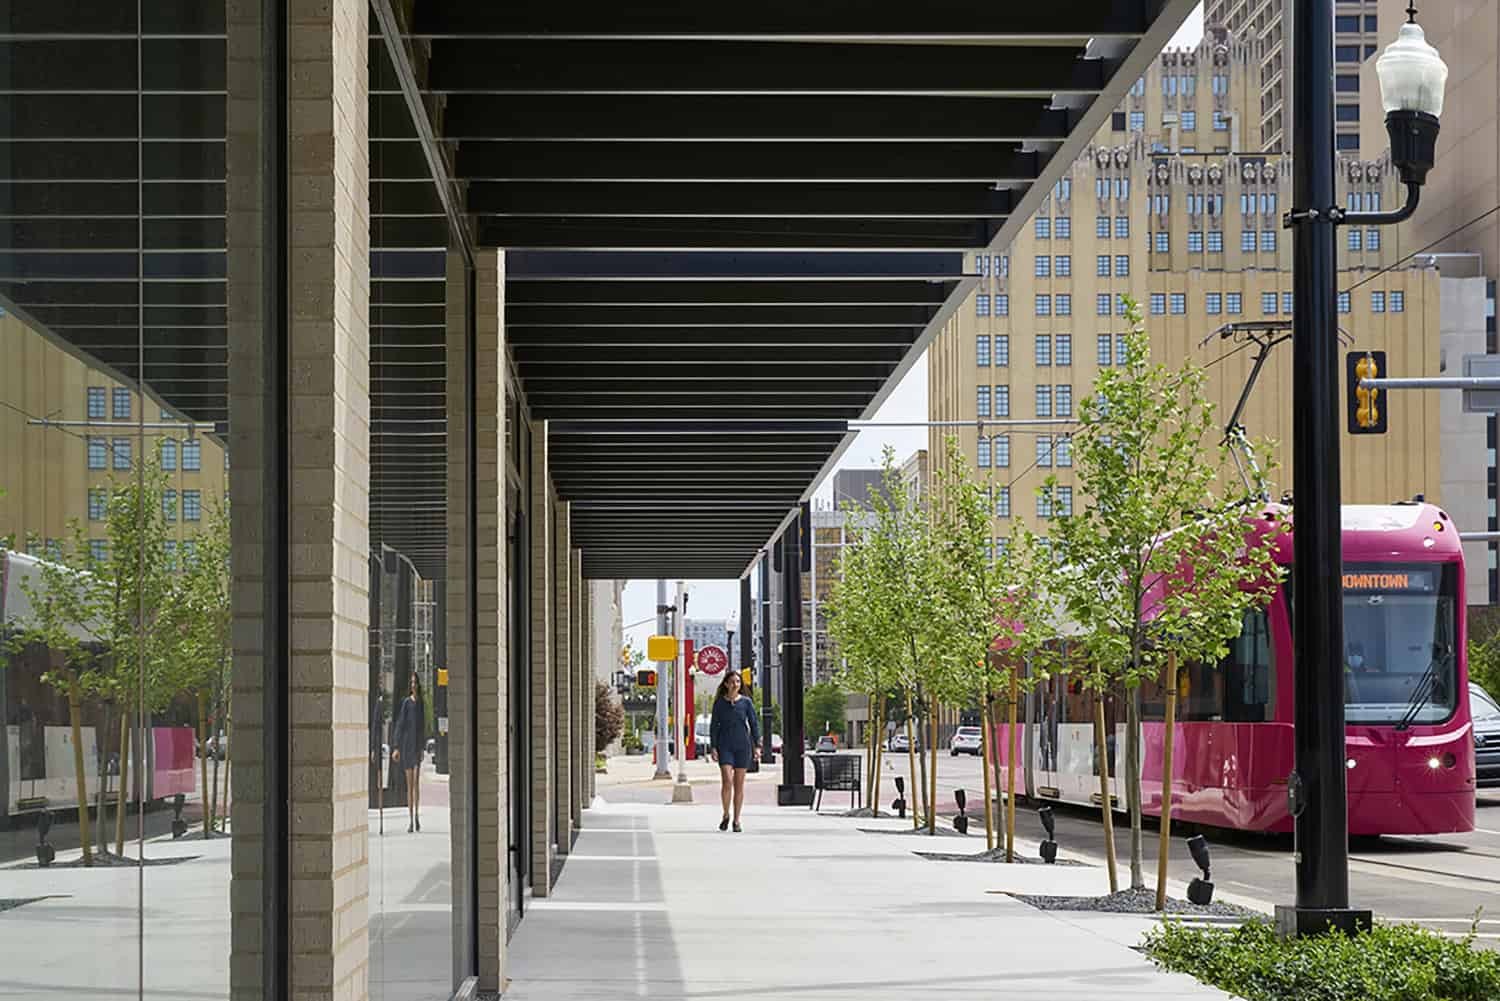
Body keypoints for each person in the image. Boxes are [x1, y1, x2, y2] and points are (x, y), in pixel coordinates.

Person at [709, 671, 760, 832]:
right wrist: (714, 747)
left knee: (739, 785)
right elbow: (713, 726)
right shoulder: (719, 703)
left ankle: (736, 820)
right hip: (725, 745)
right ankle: (725, 814)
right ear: (726, 684)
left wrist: (757, 746)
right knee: (727, 780)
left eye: (738, 682)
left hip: (742, 746)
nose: (735, 684)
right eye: (732, 682)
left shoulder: (746, 703)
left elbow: (754, 724)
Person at [391, 674, 426, 833]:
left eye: (415, 682)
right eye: (411, 682)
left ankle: (417, 816)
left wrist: (422, 748)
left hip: (416, 747)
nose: (413, 685)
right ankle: (411, 819)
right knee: (410, 784)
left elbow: (422, 727)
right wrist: (397, 747)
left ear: (418, 685)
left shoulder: (420, 704)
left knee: (416, 785)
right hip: (406, 746)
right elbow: (400, 724)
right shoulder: (406, 703)